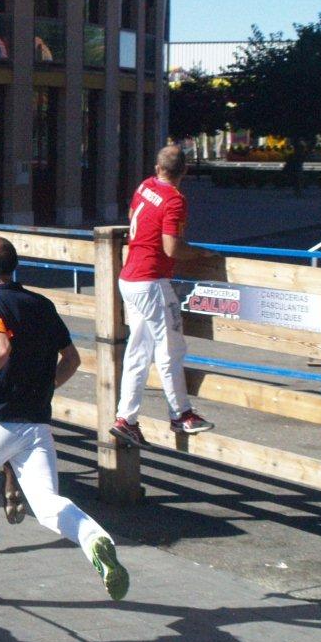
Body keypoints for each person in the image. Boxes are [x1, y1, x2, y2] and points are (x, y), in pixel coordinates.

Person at [0, 237, 130, 601]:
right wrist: (45, 386)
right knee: (47, 504)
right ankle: (95, 539)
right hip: (36, 424)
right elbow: (72, 360)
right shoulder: (43, 305)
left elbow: (0, 346)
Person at [109, 144, 217, 449]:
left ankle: (126, 419)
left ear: (158, 169)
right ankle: (181, 414)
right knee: (171, 348)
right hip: (152, 281)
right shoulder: (175, 200)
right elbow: (172, 248)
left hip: (129, 278)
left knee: (139, 351)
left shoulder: (145, 186)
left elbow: (133, 216)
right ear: (184, 171)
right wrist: (200, 253)